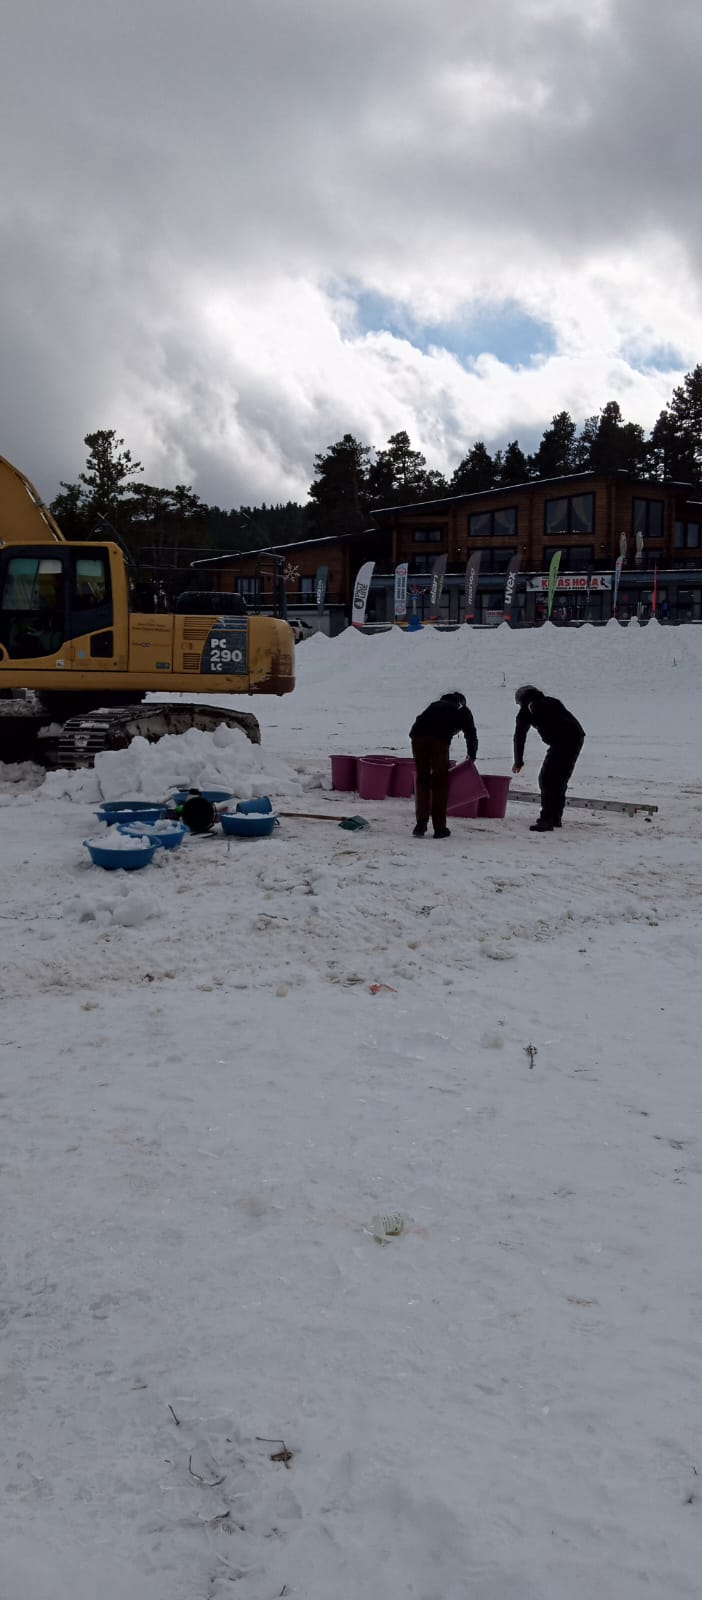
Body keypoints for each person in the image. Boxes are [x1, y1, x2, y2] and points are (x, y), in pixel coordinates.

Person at [512, 686, 585, 832]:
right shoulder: (551, 701)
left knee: (546, 779)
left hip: (563, 742)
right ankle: (555, 817)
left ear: (522, 700)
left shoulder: (529, 709)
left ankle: (547, 820)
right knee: (559, 780)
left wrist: (518, 761)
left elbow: (519, 736)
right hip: (576, 737)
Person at [410, 691, 478, 838]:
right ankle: (440, 828)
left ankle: (421, 824)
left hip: (417, 737)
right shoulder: (462, 709)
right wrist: (471, 755)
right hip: (439, 740)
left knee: (422, 780)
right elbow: (471, 733)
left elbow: (418, 721)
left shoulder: (435, 705)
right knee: (440, 783)